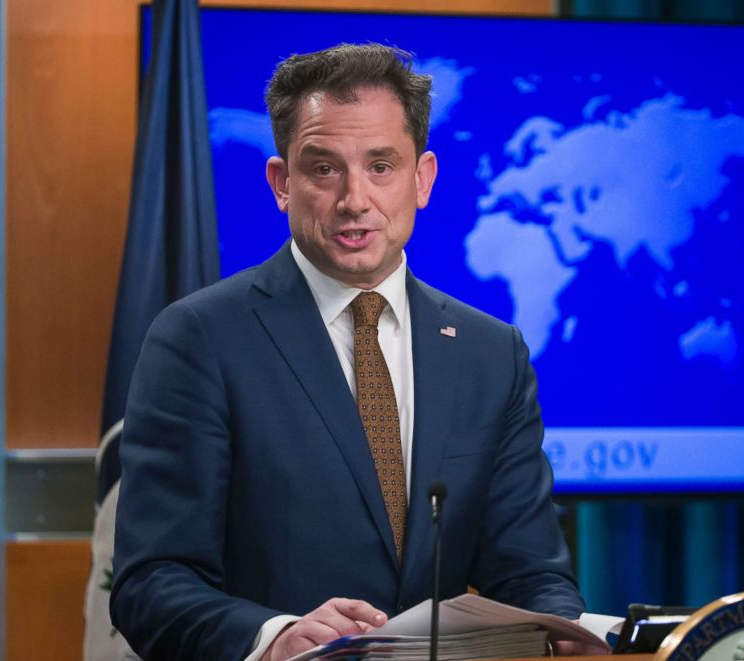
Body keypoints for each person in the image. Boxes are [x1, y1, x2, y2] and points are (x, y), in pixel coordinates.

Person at [110, 43, 594, 661]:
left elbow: (531, 572)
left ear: (422, 180)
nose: (354, 200)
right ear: (282, 183)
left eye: (381, 166)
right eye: (324, 168)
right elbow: (149, 583)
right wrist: (272, 635)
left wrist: (562, 632)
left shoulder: (490, 353)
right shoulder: (199, 339)